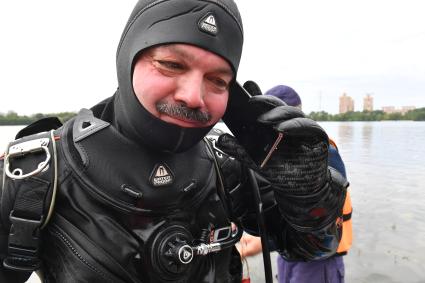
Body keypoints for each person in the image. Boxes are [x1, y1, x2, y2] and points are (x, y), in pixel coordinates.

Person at [0, 1, 348, 282]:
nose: (194, 96)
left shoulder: (226, 168)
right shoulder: (34, 174)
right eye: (170, 65)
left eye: (218, 81)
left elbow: (312, 249)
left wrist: (309, 193)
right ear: (128, 59)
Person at [238, 85, 353, 283]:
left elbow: (318, 219)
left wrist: (263, 244)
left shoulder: (321, 150)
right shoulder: (272, 155)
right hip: (288, 255)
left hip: (319, 261)